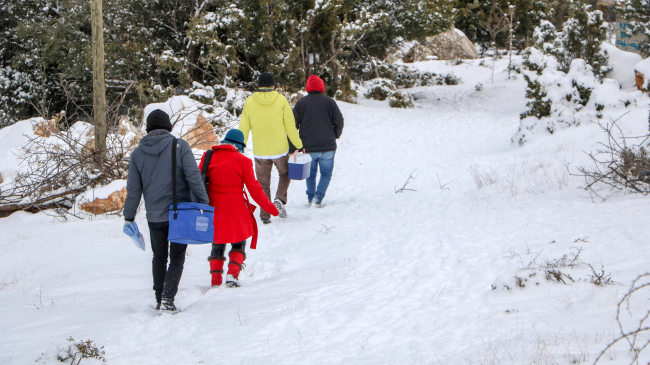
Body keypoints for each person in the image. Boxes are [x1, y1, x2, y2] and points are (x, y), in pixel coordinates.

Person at [123, 109, 210, 314]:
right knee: (177, 256)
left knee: (159, 257)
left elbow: (134, 190)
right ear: (168, 126)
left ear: (148, 129)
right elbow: (193, 177)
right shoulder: (179, 146)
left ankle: (158, 299)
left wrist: (129, 217)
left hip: (154, 216)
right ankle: (168, 298)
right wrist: (204, 204)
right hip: (180, 214)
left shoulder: (137, 154)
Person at [199, 129, 280, 288]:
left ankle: (215, 282)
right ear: (239, 146)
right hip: (236, 210)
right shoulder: (243, 161)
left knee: (217, 243)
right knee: (238, 243)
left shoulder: (208, 157)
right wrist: (271, 208)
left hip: (214, 209)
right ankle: (232, 276)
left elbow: (197, 181)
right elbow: (255, 189)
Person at [239, 72, 304, 225]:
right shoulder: (281, 100)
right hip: (280, 150)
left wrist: (240, 145)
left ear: (259, 86)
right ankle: (279, 198)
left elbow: (244, 127)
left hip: (260, 152)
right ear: (273, 86)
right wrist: (299, 145)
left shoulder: (250, 102)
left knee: (263, 184)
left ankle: (265, 215)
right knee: (286, 173)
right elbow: (291, 126)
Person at [293, 75, 344, 207]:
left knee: (310, 174)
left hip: (308, 147)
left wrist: (296, 143)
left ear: (307, 88)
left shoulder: (301, 103)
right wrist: (335, 135)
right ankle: (318, 198)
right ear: (322, 87)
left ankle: (311, 198)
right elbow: (339, 120)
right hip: (328, 146)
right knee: (326, 173)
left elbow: (293, 125)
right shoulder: (329, 102)